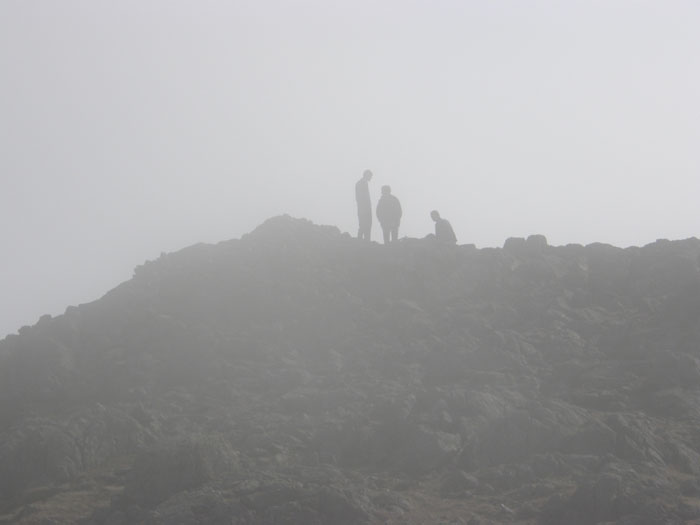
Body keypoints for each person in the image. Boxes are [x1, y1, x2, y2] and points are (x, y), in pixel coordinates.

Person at [355, 169, 373, 241]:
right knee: (364, 226)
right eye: (370, 176)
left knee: (366, 226)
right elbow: (359, 198)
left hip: (365, 209)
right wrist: (365, 208)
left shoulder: (363, 183)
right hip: (364, 210)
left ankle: (365, 241)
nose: (371, 178)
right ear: (367, 175)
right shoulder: (361, 183)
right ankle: (362, 241)